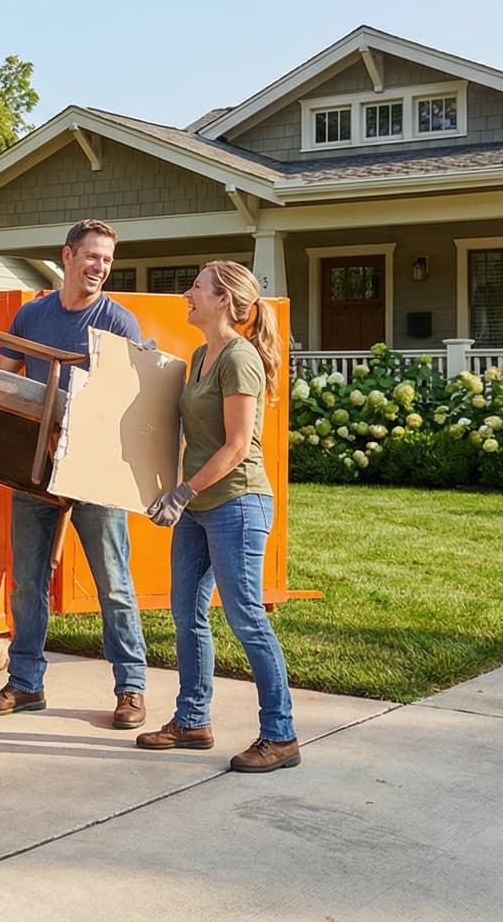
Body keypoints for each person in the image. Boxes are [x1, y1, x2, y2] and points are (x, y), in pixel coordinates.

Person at [0, 219, 150, 730]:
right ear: (67, 256)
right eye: (92, 256)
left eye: (107, 260)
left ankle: (132, 687)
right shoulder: (32, 317)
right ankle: (26, 683)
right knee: (28, 581)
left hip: (95, 470)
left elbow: (136, 402)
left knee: (112, 582)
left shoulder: (119, 322)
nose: (100, 268)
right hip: (37, 468)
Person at [136, 259, 299, 772]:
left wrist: (182, 492)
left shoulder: (239, 358)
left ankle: (281, 735)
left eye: (197, 287)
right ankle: (192, 720)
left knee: (246, 618)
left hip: (236, 502)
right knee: (186, 614)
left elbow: (236, 446)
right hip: (198, 506)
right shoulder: (201, 354)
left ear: (222, 299)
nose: (188, 293)